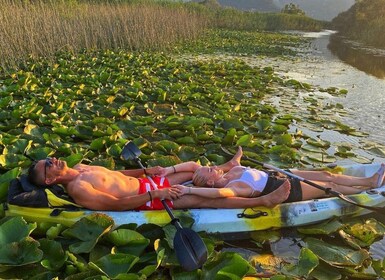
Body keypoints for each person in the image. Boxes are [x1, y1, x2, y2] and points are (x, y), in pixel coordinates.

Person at [26, 149, 291, 211]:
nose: (53, 160)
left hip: (147, 185)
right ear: (50, 180)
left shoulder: (81, 166)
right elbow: (115, 204)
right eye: (47, 165)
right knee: (197, 198)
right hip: (146, 201)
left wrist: (146, 172)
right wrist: (156, 195)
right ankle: (262, 201)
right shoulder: (78, 188)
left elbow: (118, 176)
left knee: (192, 170)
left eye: (49, 158)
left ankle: (227, 167)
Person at [173, 147, 385, 202]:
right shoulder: (233, 188)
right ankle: (369, 186)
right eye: (210, 169)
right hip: (288, 189)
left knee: (327, 173)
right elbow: (217, 195)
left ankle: (367, 180)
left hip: (281, 174)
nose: (213, 166)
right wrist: (189, 189)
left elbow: (232, 164)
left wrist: (175, 170)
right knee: (331, 188)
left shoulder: (232, 172)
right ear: (210, 180)